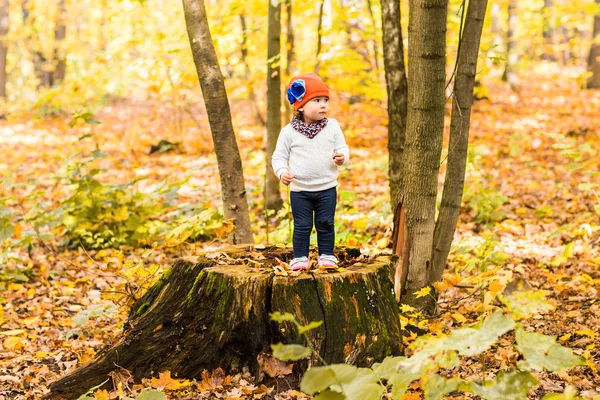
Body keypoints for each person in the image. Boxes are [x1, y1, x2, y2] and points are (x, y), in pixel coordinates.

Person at [272, 74, 350, 271]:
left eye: (326, 100)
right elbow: (278, 157)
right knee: (302, 225)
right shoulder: (288, 132)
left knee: (325, 223)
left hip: (327, 188)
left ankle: (327, 255)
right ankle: (300, 257)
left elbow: (343, 147)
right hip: (300, 191)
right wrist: (282, 171)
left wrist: (342, 157)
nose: (323, 105)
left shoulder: (332, 126)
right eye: (317, 100)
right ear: (300, 106)